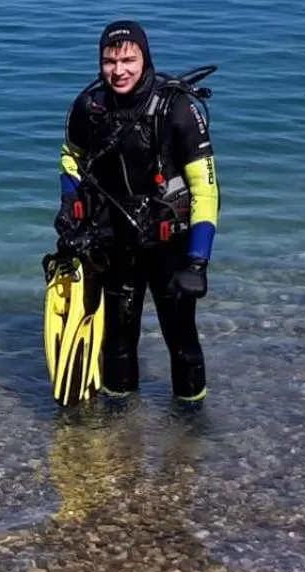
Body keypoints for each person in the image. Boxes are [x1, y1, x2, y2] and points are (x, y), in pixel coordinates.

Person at [48, 21, 220, 409]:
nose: (118, 70)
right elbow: (70, 158)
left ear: (145, 59)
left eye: (128, 59)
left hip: (168, 244)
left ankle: (190, 425)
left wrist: (198, 260)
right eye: (110, 61)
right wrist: (68, 203)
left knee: (182, 340)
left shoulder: (177, 109)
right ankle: (117, 427)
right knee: (117, 341)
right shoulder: (89, 108)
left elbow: (206, 188)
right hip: (115, 240)